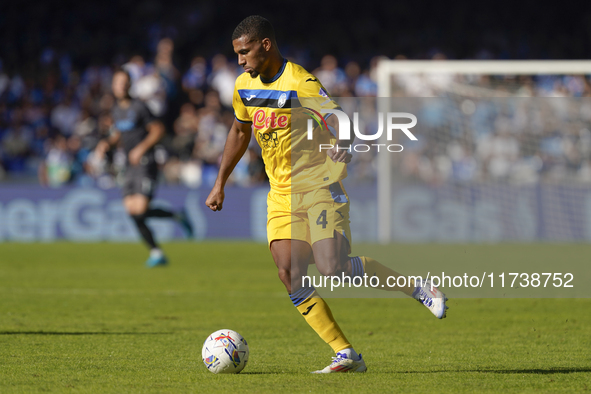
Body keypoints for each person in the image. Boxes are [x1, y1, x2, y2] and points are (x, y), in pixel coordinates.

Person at [205, 15, 448, 373]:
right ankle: (346, 353)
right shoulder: (244, 86)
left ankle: (415, 287)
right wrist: (220, 182)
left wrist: (342, 144)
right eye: (237, 54)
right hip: (281, 195)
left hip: (318, 185)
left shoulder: (300, 81)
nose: (240, 61)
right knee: (288, 273)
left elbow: (337, 118)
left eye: (245, 52)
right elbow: (240, 132)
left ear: (265, 45)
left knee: (333, 267)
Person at [94, 69, 193, 267]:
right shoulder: (116, 110)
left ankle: (165, 237)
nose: (120, 86)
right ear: (113, 86)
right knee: (132, 211)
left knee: (139, 209)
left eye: (124, 82)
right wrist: (107, 143)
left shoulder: (139, 107)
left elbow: (158, 130)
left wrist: (140, 148)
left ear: (129, 85)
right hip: (130, 166)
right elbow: (120, 134)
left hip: (146, 163)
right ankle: (158, 250)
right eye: (117, 82)